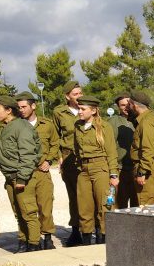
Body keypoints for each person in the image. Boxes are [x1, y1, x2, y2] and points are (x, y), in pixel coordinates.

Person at [0, 96, 42, 252]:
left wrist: (22, 178)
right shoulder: (5, 127)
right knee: (19, 214)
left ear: (8, 110)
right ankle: (23, 242)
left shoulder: (22, 127)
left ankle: (34, 244)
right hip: (10, 178)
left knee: (28, 213)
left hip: (22, 178)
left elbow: (28, 154)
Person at [73, 96, 119, 244]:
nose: (79, 111)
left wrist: (113, 174)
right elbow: (76, 148)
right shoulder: (78, 126)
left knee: (104, 205)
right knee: (84, 207)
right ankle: (86, 240)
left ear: (93, 111)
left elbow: (111, 152)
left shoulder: (104, 127)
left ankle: (103, 238)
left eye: (83, 109)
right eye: (79, 108)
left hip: (101, 168)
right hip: (84, 170)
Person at [15, 92, 58, 249]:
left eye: (24, 106)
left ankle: (47, 238)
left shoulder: (47, 124)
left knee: (45, 207)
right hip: (23, 173)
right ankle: (24, 239)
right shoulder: (16, 125)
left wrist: (49, 160)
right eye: (19, 107)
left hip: (42, 173)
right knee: (24, 208)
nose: (21, 110)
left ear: (33, 106)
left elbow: (55, 144)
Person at [52, 81, 84, 245]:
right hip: (68, 157)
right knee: (74, 195)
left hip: (87, 157)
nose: (79, 96)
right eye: (75, 94)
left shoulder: (89, 108)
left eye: (80, 93)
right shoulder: (59, 112)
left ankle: (94, 229)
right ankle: (76, 230)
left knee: (89, 195)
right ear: (67, 96)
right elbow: (55, 136)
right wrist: (59, 156)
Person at [128, 90, 154, 205]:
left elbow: (147, 149)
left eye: (129, 104)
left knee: (146, 204)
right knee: (151, 203)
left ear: (134, 105)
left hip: (147, 168)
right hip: (153, 165)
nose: (127, 108)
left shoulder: (146, 122)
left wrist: (142, 172)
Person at [107, 93, 137, 209]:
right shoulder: (113, 122)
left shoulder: (139, 120)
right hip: (120, 168)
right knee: (119, 204)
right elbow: (110, 146)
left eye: (128, 104)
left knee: (137, 204)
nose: (126, 107)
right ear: (118, 107)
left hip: (135, 169)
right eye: (123, 105)